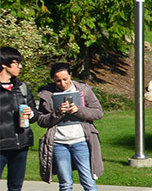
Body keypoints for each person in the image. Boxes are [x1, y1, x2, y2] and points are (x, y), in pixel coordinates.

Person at [36, 63, 104, 191]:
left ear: (70, 76)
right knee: (65, 184)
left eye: (65, 79)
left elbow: (98, 112)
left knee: (88, 182)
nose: (62, 83)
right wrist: (57, 113)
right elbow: (41, 120)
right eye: (58, 81)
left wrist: (78, 110)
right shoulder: (47, 94)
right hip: (58, 143)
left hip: (81, 141)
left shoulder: (83, 90)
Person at [0, 47, 35, 191]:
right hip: (1, 146)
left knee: (15, 187)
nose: (20, 66)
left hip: (21, 145)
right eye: (16, 63)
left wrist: (31, 114)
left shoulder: (22, 88)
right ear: (4, 64)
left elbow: (35, 115)